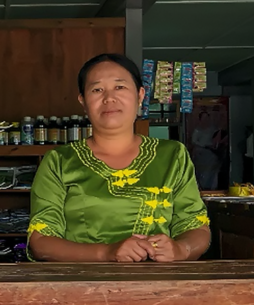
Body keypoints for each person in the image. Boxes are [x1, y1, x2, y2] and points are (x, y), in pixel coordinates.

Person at [27, 53, 211, 262]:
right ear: (83, 102)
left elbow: (196, 226)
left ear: (140, 95)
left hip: (160, 287)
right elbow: (41, 242)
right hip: (82, 287)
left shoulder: (172, 155)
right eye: (97, 90)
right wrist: (106, 253)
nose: (109, 98)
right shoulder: (60, 161)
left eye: (120, 87)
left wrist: (181, 249)